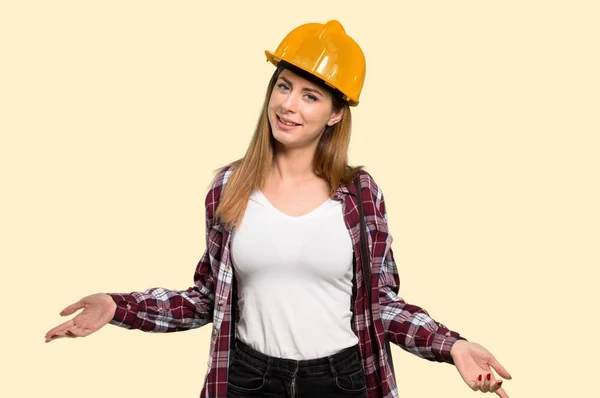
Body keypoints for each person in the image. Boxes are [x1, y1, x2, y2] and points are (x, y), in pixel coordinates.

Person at [45, 20, 512, 398]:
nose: (288, 105)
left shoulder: (360, 195)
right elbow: (207, 298)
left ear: (335, 113)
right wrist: (119, 306)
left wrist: (453, 346)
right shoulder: (229, 188)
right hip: (248, 379)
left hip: (343, 381)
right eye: (284, 87)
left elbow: (382, 305)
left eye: (310, 96)